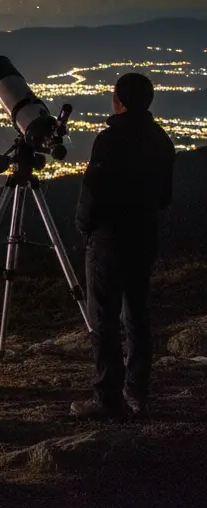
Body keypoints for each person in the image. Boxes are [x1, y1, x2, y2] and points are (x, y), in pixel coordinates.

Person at [71, 73, 175, 421]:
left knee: (103, 317)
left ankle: (107, 397)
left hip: (109, 238)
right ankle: (138, 392)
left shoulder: (109, 140)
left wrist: (84, 225)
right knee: (138, 314)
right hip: (143, 235)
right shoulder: (161, 140)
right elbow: (164, 196)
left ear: (120, 100)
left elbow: (93, 191)